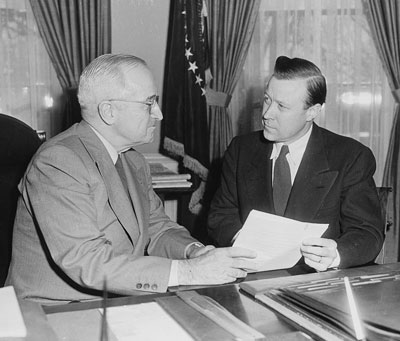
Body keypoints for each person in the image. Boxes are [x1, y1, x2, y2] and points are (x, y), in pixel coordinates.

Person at [6, 54, 257, 304]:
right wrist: (189, 272)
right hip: (56, 314)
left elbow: (158, 228)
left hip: (115, 304)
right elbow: (88, 262)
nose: (158, 114)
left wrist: (193, 252)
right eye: (150, 103)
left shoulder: (133, 160)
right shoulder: (58, 161)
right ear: (109, 111)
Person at [208, 56, 384, 272]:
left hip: (318, 282)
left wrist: (336, 255)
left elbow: (367, 232)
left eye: (281, 106)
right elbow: (221, 214)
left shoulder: (350, 157)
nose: (266, 114)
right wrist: (243, 242)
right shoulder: (241, 149)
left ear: (312, 111)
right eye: (266, 99)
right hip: (251, 276)